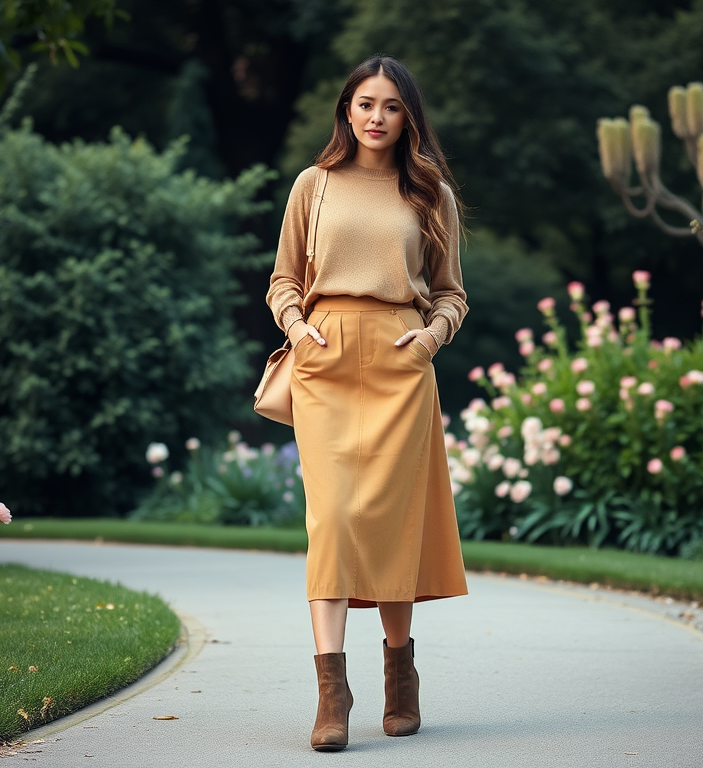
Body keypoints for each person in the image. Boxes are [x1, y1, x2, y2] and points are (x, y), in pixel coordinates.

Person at [266, 55, 468, 752]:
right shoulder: (312, 185)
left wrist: (430, 337)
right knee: (335, 518)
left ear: (408, 115)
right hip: (324, 357)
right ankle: (332, 691)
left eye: (389, 105)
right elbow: (283, 279)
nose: (376, 116)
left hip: (399, 358)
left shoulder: (429, 192)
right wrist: (297, 329)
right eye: (364, 104)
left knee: (389, 521)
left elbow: (452, 293)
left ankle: (400, 672)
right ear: (345, 111)